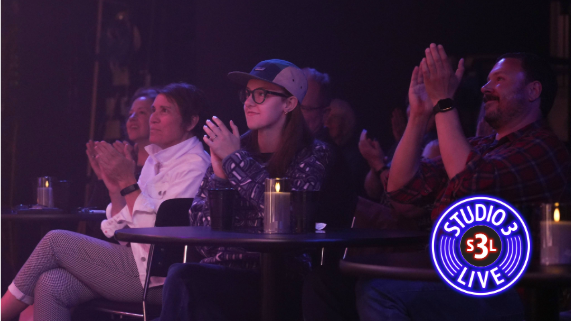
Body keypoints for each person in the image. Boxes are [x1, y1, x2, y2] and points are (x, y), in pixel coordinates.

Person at [357, 45, 571, 320]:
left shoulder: (545, 148)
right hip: (455, 280)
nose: (485, 87)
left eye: (499, 79)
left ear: (533, 91)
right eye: (488, 79)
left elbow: (470, 183)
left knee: (379, 291)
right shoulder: (478, 146)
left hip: (509, 294)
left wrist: (444, 102)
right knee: (337, 280)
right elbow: (402, 190)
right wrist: (420, 114)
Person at [0, 82, 211, 321]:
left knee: (55, 240)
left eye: (165, 111)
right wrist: (115, 189)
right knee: (52, 284)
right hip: (135, 264)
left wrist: (127, 181)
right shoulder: (155, 160)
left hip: (160, 278)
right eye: (153, 110)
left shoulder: (195, 165)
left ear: (191, 121)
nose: (154, 118)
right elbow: (125, 231)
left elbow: (158, 235)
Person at [157, 59, 335, 321]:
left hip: (278, 279)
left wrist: (235, 161)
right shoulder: (234, 148)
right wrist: (219, 177)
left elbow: (287, 215)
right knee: (193, 291)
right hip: (222, 272)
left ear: (289, 104)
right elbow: (200, 230)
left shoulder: (312, 154)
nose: (248, 102)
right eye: (248, 94)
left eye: (260, 94)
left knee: (185, 280)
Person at [86, 87, 158, 209]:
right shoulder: (120, 163)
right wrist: (102, 177)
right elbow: (95, 220)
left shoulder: (160, 166)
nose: (132, 117)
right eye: (130, 113)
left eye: (141, 112)